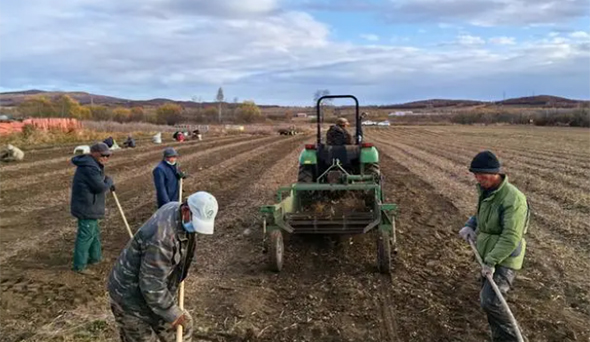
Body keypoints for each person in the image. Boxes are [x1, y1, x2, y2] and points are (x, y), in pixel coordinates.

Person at [107, 191, 218, 342]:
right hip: (130, 299)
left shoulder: (176, 210)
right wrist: (171, 312)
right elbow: (151, 284)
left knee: (185, 326)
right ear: (186, 211)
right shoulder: (163, 238)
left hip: (153, 294)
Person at [459, 150, 530, 342]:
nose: (478, 179)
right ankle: (498, 337)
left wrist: (490, 262)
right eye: (475, 175)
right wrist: (470, 225)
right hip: (489, 254)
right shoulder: (487, 191)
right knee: (489, 302)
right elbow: (481, 214)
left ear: (495, 173)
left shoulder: (513, 199)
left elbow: (510, 237)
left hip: (505, 257)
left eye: (481, 175)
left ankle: (511, 339)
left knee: (490, 302)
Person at [70, 142, 115, 275]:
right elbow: (99, 187)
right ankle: (79, 265)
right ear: (94, 153)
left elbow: (100, 181)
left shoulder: (93, 164)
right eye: (103, 155)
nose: (106, 158)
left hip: (91, 205)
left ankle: (96, 258)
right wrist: (109, 182)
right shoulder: (89, 167)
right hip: (86, 206)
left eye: (108, 156)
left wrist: (106, 180)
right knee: (85, 236)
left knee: (94, 233)